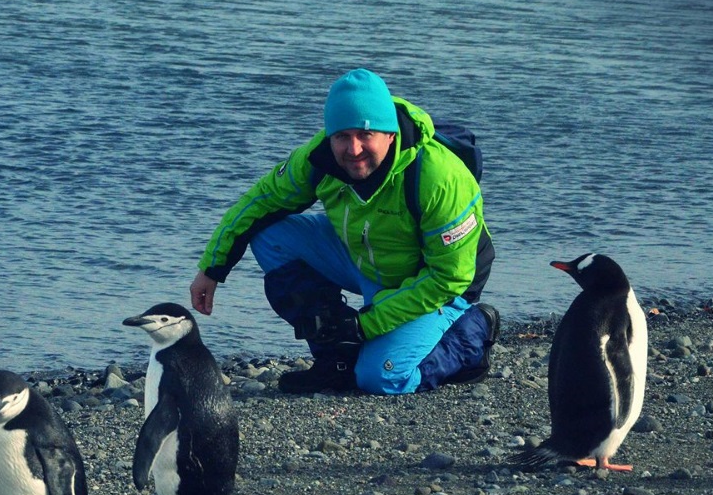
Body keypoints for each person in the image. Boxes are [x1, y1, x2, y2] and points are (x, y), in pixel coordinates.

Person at [189, 68, 498, 395]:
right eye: (342, 136)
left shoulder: (438, 177)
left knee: (381, 379)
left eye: (365, 135)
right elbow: (259, 201)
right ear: (329, 135)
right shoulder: (318, 159)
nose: (353, 150)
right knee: (271, 236)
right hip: (366, 257)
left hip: (437, 281)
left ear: (389, 134)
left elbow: (449, 277)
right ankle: (335, 358)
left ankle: (474, 333)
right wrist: (212, 268)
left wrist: (365, 324)